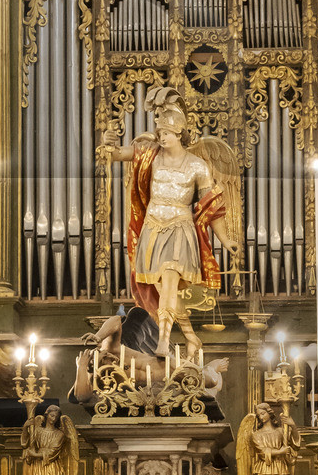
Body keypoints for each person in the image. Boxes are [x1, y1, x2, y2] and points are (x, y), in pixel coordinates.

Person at [100, 95, 238, 357]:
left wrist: (225, 238)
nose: (162, 137)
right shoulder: (150, 156)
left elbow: (211, 206)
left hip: (179, 230)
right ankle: (190, 336)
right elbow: (116, 154)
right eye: (160, 133)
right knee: (163, 290)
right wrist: (109, 143)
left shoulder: (198, 166)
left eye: (167, 133)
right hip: (151, 230)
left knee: (171, 282)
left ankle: (163, 341)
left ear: (180, 134)